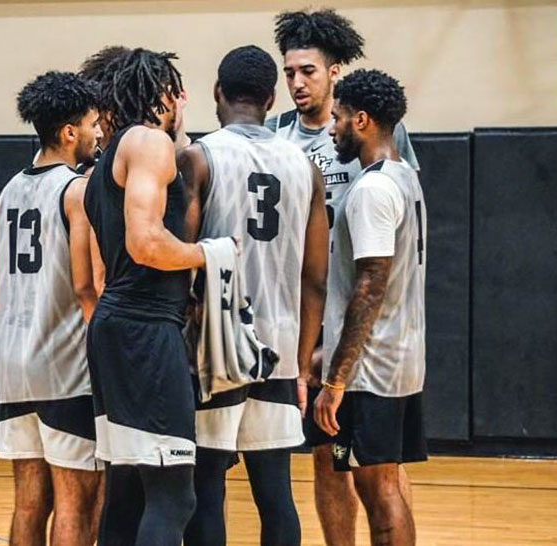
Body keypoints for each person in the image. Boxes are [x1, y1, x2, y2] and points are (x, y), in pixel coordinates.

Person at [266, 9, 420, 546]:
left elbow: (392, 241)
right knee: (327, 458)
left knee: (379, 467)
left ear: (335, 73)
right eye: (288, 72)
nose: (296, 82)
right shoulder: (275, 135)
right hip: (307, 315)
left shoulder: (378, 137)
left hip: (364, 323)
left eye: (307, 70)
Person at [178, 45, 329, 546]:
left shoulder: (199, 156)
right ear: (270, 98)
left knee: (205, 487)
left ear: (217, 94)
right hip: (279, 347)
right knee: (275, 493)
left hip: (214, 346)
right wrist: (304, 364)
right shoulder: (305, 167)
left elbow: (182, 261)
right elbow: (315, 278)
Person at [84, 48, 207, 546]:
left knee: (128, 494)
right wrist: (211, 254)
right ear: (159, 93)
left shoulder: (103, 163)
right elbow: (146, 243)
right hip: (146, 331)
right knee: (175, 496)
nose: (182, 100)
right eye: (174, 90)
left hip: (116, 324)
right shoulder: (148, 142)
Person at [314, 68, 428, 546]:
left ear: (360, 120)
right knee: (385, 489)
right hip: (400, 362)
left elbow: (370, 286)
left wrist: (335, 380)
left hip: (371, 372)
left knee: (378, 496)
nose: (332, 127)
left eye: (338, 118)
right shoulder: (404, 178)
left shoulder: (372, 190)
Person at [0, 70, 103, 546]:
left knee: (29, 504)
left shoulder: (8, 190)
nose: (100, 134)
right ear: (68, 132)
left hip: (14, 369)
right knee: (77, 505)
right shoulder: (75, 190)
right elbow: (88, 287)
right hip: (64, 369)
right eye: (95, 124)